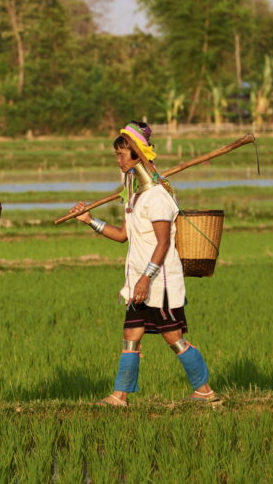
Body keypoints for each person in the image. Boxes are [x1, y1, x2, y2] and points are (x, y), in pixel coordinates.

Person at [71, 121, 219, 406]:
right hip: (138, 282)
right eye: (116, 154)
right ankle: (120, 395)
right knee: (131, 335)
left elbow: (163, 243)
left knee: (173, 337)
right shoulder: (135, 197)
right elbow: (122, 236)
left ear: (137, 155)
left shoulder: (158, 197)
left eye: (122, 154)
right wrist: (91, 221)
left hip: (158, 283)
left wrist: (145, 279)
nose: (118, 160)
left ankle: (205, 391)